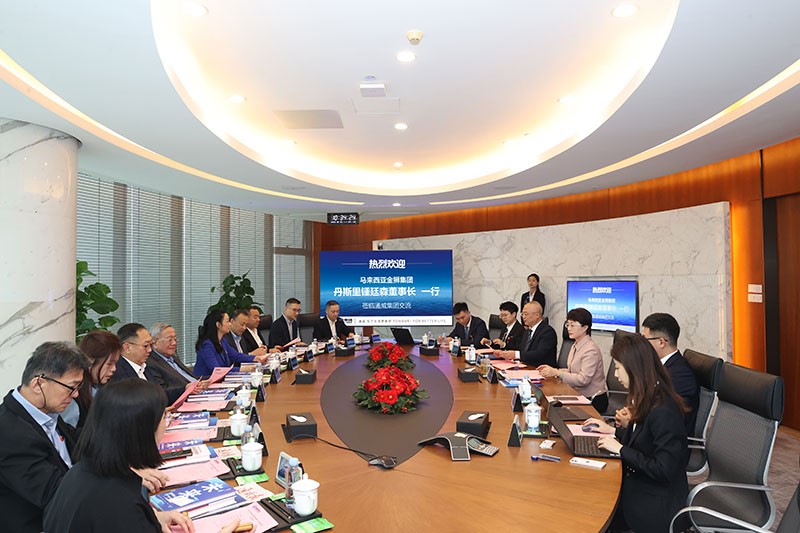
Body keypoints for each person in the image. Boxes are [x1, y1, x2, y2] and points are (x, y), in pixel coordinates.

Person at [43, 379, 242, 533]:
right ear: (143, 431)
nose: (166, 423)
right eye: (164, 417)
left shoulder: (83, 471)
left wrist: (153, 519)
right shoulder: (120, 505)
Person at [582, 333, 688, 533]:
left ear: (634, 369)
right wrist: (613, 430)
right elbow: (644, 441)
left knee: (592, 507)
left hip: (654, 502)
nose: (615, 375)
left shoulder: (664, 410)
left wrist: (620, 449)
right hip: (638, 483)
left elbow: (663, 469)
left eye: (618, 368)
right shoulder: (646, 397)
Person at [0, 342, 89, 533]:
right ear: (38, 384)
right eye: (71, 387)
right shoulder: (9, 432)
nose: (75, 395)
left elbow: (82, 443)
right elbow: (54, 493)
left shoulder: (47, 413)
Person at [538, 308, 607, 413]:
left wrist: (557, 373)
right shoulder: (575, 345)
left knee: (554, 410)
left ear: (585, 327)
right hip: (577, 393)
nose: (569, 329)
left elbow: (583, 380)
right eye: (568, 325)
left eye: (573, 325)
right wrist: (553, 371)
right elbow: (572, 370)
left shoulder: (591, 350)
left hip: (592, 399)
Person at [640, 312, 700, 435]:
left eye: (645, 340)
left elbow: (665, 416)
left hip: (667, 439)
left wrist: (635, 419)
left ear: (661, 342)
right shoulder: (661, 365)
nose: (642, 345)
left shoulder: (681, 375)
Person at [111, 323, 188, 404]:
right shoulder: (118, 372)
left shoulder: (144, 366)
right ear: (127, 347)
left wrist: (184, 389)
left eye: (150, 345)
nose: (149, 350)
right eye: (145, 346)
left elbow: (159, 395)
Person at [62, 330, 122, 429]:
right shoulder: (73, 398)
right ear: (90, 360)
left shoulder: (107, 388)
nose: (114, 369)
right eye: (109, 364)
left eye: (115, 363)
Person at [195, 310, 268, 377]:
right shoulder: (206, 345)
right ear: (218, 324)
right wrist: (241, 369)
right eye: (227, 321)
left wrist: (255, 358)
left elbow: (236, 355)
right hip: (205, 382)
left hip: (221, 380)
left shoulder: (223, 340)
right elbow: (217, 370)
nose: (230, 324)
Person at [494, 301, 557, 366]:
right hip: (526, 367)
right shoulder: (527, 332)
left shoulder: (547, 332)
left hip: (542, 369)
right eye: (522, 314)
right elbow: (521, 350)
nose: (523, 317)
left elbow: (539, 354)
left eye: (526, 314)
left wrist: (515, 354)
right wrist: (504, 353)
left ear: (537, 315)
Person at [147, 323, 197, 389]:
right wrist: (184, 388)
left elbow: (188, 377)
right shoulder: (151, 363)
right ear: (155, 343)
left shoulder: (173, 356)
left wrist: (205, 381)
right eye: (169, 340)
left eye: (175, 339)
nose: (174, 343)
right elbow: (161, 390)